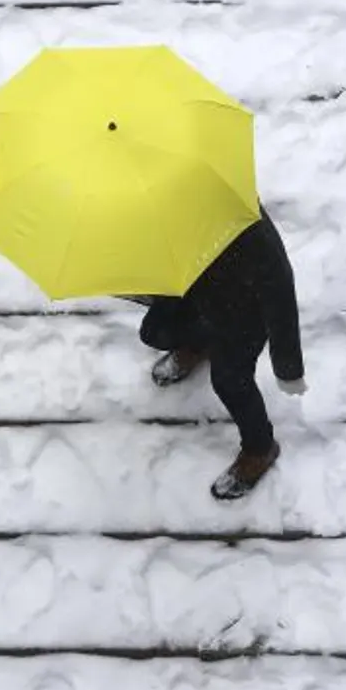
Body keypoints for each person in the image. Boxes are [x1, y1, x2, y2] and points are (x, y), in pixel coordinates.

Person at [126, 205, 306, 500]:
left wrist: (289, 369)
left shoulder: (251, 232)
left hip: (243, 319)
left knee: (230, 382)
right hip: (191, 290)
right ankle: (198, 345)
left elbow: (281, 299)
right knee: (156, 332)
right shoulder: (153, 205)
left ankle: (260, 449)